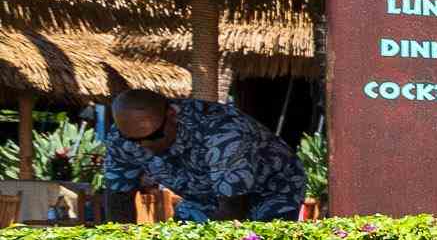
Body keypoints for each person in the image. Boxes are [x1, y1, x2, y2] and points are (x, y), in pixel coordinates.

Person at [98, 88, 307, 224]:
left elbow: (233, 210)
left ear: (172, 115)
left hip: (272, 190)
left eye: (154, 136)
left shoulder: (222, 131)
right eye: (134, 140)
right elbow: (118, 199)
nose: (145, 146)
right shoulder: (121, 138)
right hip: (205, 196)